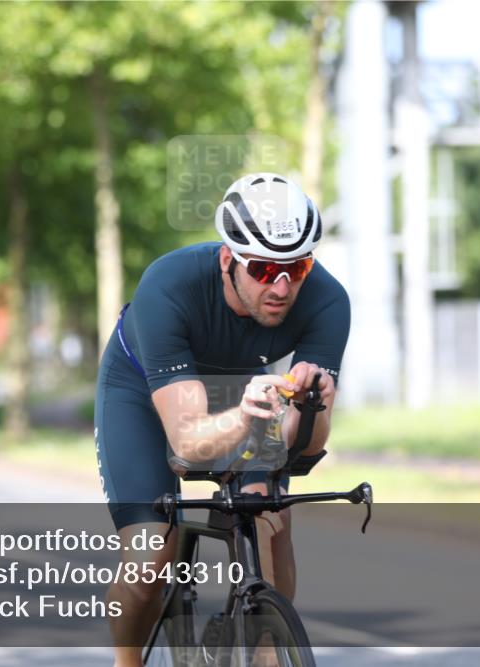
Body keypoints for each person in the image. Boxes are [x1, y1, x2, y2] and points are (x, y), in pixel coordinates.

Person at [94, 173, 350, 666]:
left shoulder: (328, 301)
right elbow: (187, 443)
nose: (280, 286)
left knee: (270, 519)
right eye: (262, 268)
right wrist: (247, 417)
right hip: (145, 392)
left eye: (296, 269)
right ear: (228, 258)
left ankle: (267, 650)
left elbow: (306, 451)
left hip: (242, 388)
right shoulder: (168, 286)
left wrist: (312, 406)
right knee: (151, 559)